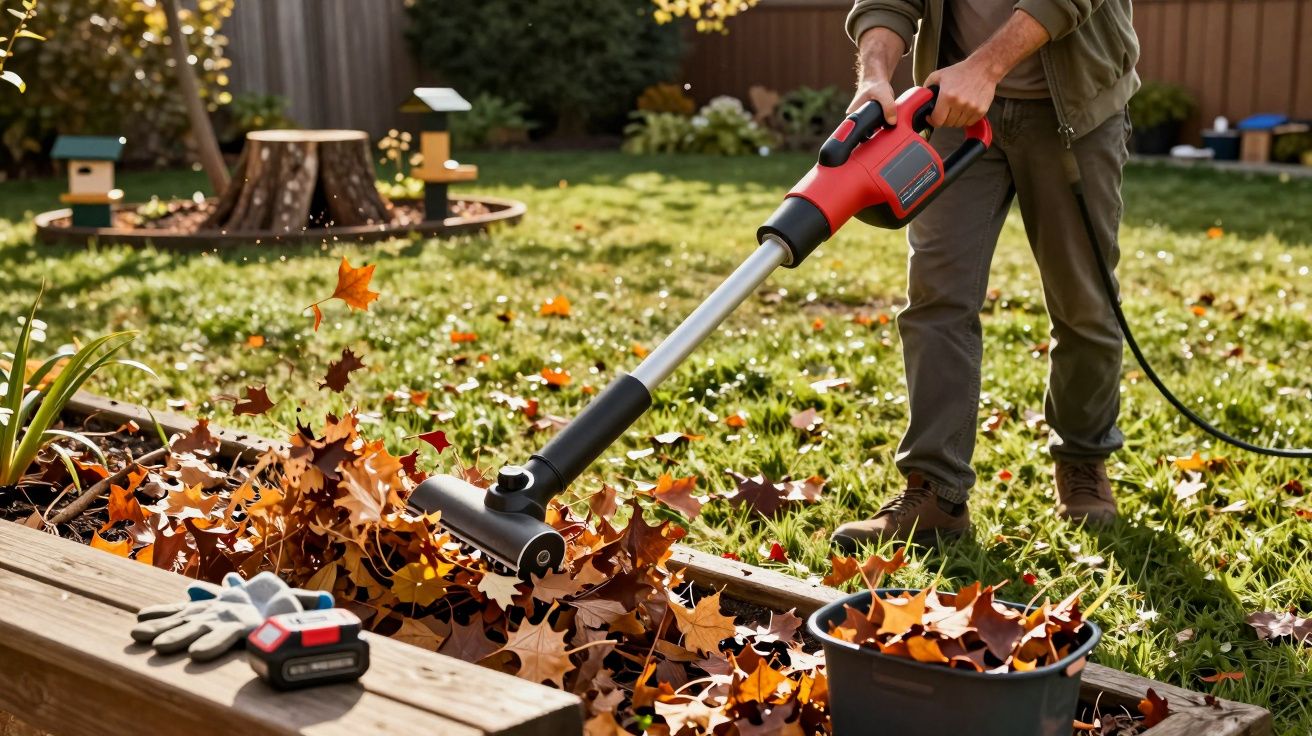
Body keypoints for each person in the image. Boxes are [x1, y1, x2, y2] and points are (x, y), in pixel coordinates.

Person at [831, 0, 1140, 552]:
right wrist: (875, 74)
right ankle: (936, 492)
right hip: (954, 113)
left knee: (1084, 303)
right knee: (936, 297)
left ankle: (1083, 460)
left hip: (1074, 115)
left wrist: (986, 67)